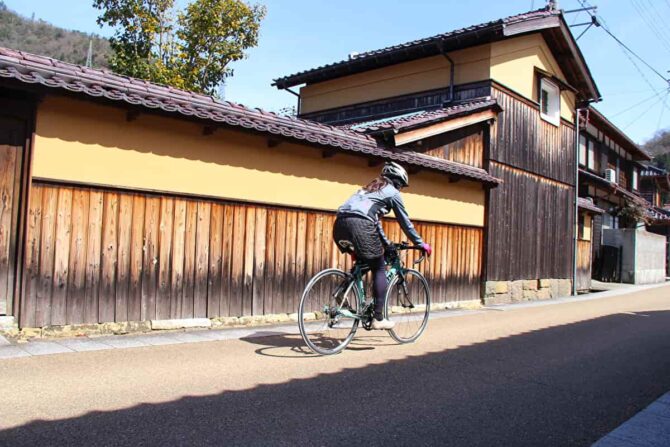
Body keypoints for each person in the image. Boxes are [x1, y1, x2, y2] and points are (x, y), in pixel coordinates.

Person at [333, 161, 432, 330]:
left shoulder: (368, 189)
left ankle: (343, 289)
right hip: (361, 227)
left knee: (366, 261)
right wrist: (420, 243)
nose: (400, 189)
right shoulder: (393, 193)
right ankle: (378, 318)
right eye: (401, 186)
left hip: (340, 225)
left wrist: (387, 244)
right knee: (379, 268)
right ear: (398, 182)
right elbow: (405, 222)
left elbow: (375, 222)